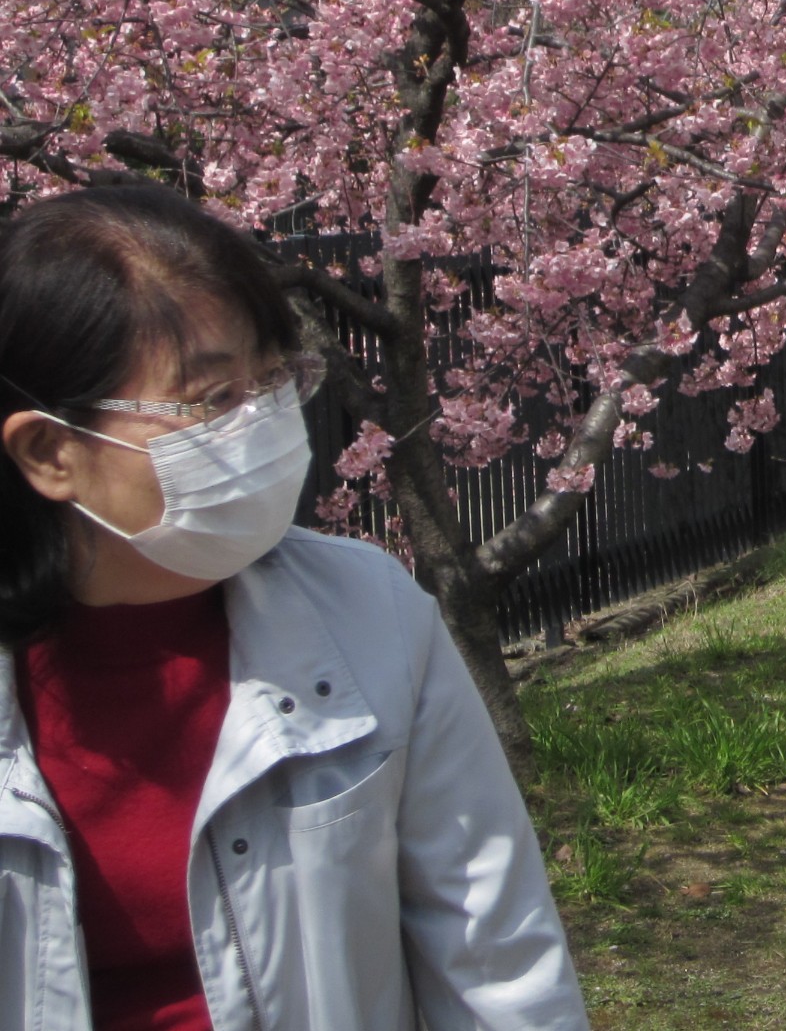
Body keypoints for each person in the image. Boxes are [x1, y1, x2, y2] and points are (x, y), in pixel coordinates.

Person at [0, 186, 587, 1030]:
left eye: (273, 378)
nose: (263, 423)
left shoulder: (369, 615)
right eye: (211, 402)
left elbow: (494, 956)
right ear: (50, 451)